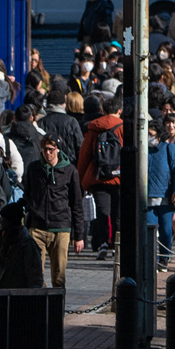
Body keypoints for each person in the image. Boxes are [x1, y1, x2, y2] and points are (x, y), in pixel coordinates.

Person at [21, 135, 86, 288]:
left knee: (59, 276)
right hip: (37, 227)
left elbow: (76, 204)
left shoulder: (69, 171)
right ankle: (40, 307)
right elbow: (27, 194)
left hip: (61, 227)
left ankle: (57, 308)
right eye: (45, 150)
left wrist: (79, 236)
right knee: (36, 275)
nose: (48, 153)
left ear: (57, 149)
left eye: (51, 150)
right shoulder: (34, 168)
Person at [76, 105, 123, 257]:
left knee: (103, 212)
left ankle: (102, 243)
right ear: (119, 111)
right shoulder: (123, 127)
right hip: (119, 177)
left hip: (98, 176)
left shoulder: (95, 128)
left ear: (103, 110)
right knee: (118, 213)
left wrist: (82, 180)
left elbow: (85, 155)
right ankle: (117, 244)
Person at [146, 114, 175, 260]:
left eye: (151, 134)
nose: (148, 137)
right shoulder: (142, 151)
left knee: (165, 231)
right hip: (146, 199)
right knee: (150, 230)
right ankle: (152, 260)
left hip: (166, 198)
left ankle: (164, 259)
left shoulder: (169, 149)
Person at [0, 203, 44, 288]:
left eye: (3, 218)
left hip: (20, 294)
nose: (0, 221)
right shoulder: (2, 239)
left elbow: (34, 275)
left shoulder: (27, 244)